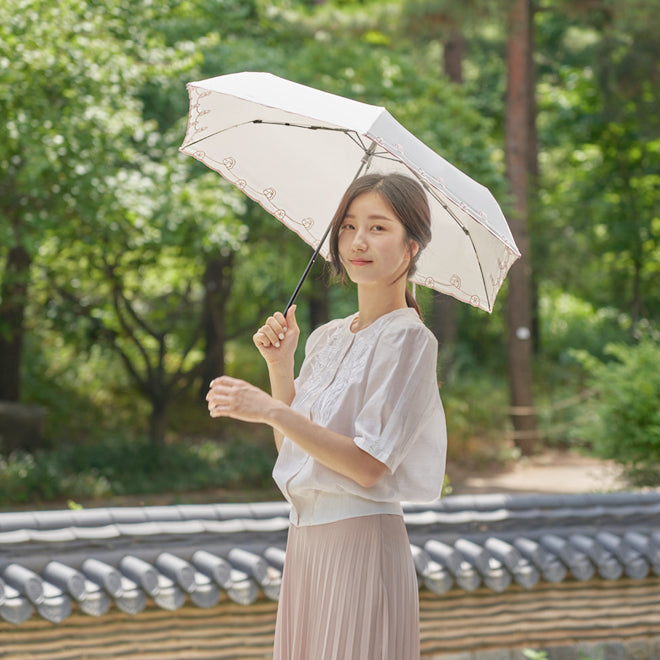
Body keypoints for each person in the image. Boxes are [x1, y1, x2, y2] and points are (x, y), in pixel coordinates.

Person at [206, 172, 447, 659]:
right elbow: (294, 449)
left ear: (411, 247)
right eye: (348, 226)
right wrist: (280, 366)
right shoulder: (327, 336)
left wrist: (271, 409)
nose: (358, 241)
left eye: (379, 228)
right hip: (306, 544)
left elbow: (367, 465)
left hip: (361, 542)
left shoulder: (409, 339)